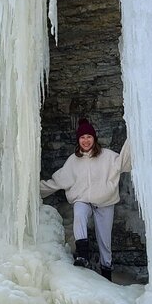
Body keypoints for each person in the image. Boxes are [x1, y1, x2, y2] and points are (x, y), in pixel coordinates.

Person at [40, 118, 131, 281]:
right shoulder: (73, 162)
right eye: (82, 137)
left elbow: (124, 162)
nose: (86, 140)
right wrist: (32, 191)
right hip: (83, 200)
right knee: (79, 210)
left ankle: (107, 274)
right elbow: (57, 182)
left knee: (105, 241)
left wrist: (134, 138)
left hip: (105, 203)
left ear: (94, 138)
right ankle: (82, 254)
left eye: (89, 136)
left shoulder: (108, 156)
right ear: (78, 140)